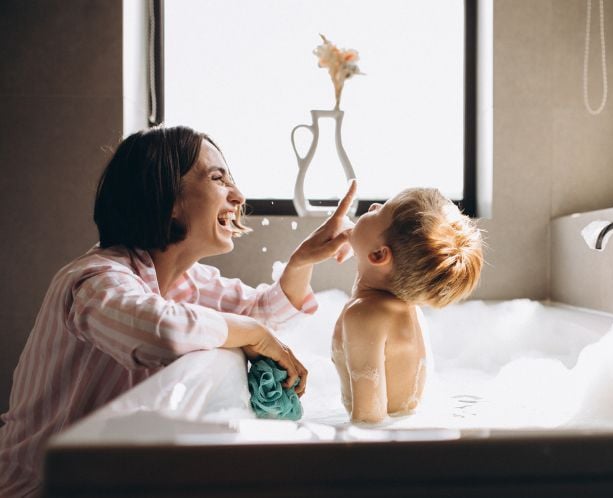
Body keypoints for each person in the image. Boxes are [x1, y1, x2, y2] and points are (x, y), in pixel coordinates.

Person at [0, 126, 357, 496]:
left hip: (97, 478)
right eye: (219, 179)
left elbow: (262, 311)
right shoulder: (93, 280)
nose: (238, 195)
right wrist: (253, 334)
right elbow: (161, 331)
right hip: (35, 488)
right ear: (167, 196)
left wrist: (301, 261)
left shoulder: (189, 280)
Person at [331, 188, 483, 424]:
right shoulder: (405, 305)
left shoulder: (364, 315)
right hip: (404, 429)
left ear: (379, 255)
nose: (373, 207)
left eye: (380, 212)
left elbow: (368, 420)